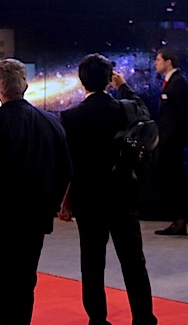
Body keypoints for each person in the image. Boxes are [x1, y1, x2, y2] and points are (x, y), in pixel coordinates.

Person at [0, 58, 72, 325]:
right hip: (35, 220)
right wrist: (50, 206)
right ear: (26, 86)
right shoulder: (51, 123)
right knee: (26, 282)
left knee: (3, 286)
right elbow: (65, 171)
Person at [59, 54, 157, 325]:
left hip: (88, 199)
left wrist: (66, 199)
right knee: (133, 262)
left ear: (82, 81)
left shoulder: (70, 117)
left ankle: (98, 320)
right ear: (108, 79)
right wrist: (123, 86)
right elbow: (144, 111)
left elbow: (69, 165)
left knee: (92, 263)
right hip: (123, 195)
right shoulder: (125, 109)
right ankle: (144, 319)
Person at [151, 49, 188, 236]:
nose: (155, 63)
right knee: (169, 177)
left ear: (168, 61)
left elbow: (184, 112)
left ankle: (182, 216)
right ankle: (180, 217)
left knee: (169, 177)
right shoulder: (171, 82)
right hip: (168, 138)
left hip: (172, 140)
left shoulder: (178, 82)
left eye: (158, 59)